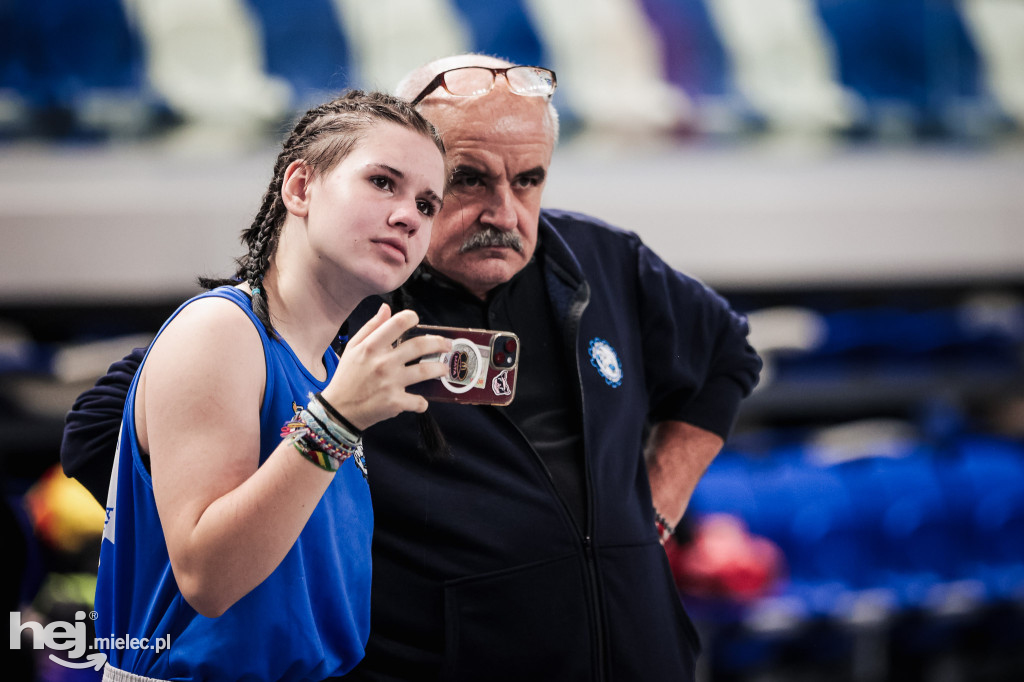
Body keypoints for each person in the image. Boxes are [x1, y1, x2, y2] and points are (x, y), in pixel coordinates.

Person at [63, 55, 762, 681]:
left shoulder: (601, 259)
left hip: (634, 650)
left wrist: (656, 515)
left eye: (529, 180)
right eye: (468, 180)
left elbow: (727, 353)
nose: (505, 211)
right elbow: (109, 438)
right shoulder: (337, 293)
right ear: (306, 188)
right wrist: (307, 560)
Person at [89, 90, 451, 682]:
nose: (409, 215)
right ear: (301, 189)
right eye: (383, 182)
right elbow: (210, 580)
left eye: (427, 203)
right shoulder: (220, 330)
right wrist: (335, 423)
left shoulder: (335, 367)